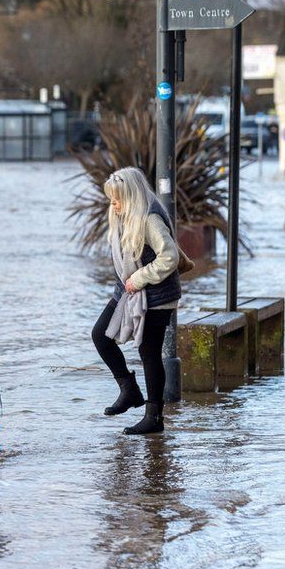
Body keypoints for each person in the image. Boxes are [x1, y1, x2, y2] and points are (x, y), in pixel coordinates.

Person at [91, 167, 181, 435]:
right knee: (100, 335)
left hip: (156, 294)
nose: (113, 205)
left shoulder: (150, 218)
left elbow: (170, 257)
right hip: (128, 289)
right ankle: (129, 389)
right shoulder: (124, 215)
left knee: (149, 352)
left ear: (130, 196)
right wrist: (131, 282)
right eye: (111, 199)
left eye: (117, 199)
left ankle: (154, 417)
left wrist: (139, 278)